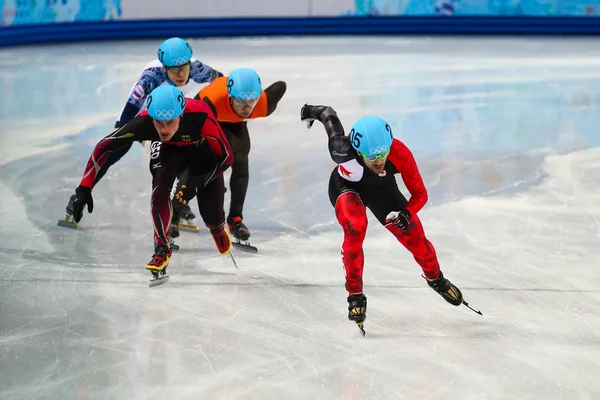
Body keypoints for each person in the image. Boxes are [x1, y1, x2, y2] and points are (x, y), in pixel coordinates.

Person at [300, 104, 464, 331]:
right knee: (356, 227)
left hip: (381, 190)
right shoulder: (340, 148)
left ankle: (436, 279)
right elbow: (327, 113)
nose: (379, 161)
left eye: (383, 153)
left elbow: (421, 194)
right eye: (371, 156)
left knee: (416, 238)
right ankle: (355, 295)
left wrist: (407, 213)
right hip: (346, 187)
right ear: (357, 151)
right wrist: (306, 111)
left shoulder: (399, 153)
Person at [70, 86, 233, 280]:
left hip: (201, 151)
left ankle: (216, 226)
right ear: (152, 118)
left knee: (212, 215)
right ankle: (161, 249)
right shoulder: (144, 122)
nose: (164, 129)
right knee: (159, 191)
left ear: (181, 115)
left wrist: (198, 183)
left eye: (170, 122)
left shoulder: (200, 116)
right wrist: (84, 187)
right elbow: (104, 146)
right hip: (167, 151)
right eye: (159, 122)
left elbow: (227, 158)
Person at [59, 37, 223, 228]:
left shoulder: (199, 70)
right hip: (141, 116)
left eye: (184, 68)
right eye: (173, 70)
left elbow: (224, 86)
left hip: (168, 116)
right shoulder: (150, 78)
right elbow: (129, 113)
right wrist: (121, 137)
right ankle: (80, 193)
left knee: (179, 155)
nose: (180, 74)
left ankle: (178, 204)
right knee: (115, 152)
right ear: (164, 68)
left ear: (190, 64)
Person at [173, 67, 286, 244]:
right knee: (199, 162)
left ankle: (235, 219)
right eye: (241, 102)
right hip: (207, 117)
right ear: (230, 97)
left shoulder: (263, 104)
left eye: (252, 101)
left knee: (240, 161)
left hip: (233, 122)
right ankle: (176, 207)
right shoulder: (212, 101)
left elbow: (281, 86)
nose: (247, 108)